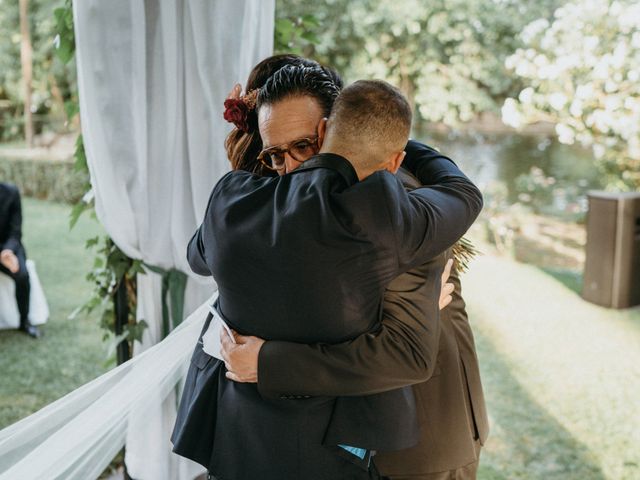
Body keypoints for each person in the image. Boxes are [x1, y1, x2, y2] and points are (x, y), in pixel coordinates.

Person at [171, 74, 482, 480]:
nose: (292, 168)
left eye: (303, 146)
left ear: (333, 128)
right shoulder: (255, 198)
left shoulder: (388, 202)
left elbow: (402, 351)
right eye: (275, 154)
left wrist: (266, 361)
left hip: (421, 442)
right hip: (280, 442)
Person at [0, 182, 39, 338]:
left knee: (22, 275)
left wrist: (7, 252)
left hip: (10, 247)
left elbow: (16, 230)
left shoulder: (11, 192)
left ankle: (25, 322)